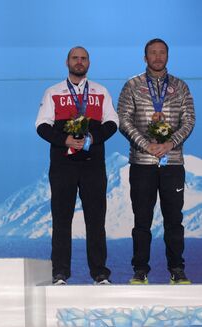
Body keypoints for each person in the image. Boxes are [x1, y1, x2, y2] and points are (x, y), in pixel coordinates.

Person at [36, 46, 118, 285]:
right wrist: (65, 140)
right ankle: (59, 272)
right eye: (75, 58)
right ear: (67, 62)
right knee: (61, 219)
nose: (79, 62)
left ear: (89, 63)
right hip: (63, 165)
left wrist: (93, 138)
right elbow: (41, 125)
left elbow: (113, 121)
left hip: (93, 164)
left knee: (96, 220)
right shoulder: (53, 92)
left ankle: (100, 273)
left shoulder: (101, 91)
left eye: (83, 59)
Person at [118, 38, 195, 285]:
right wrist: (147, 145)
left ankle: (177, 269)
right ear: (145, 57)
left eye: (162, 53)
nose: (158, 57)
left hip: (173, 163)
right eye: (153, 53)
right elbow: (123, 120)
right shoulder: (132, 85)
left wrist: (169, 144)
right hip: (142, 162)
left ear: (168, 57)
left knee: (174, 219)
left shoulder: (181, 87)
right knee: (142, 219)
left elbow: (189, 120)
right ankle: (140, 271)